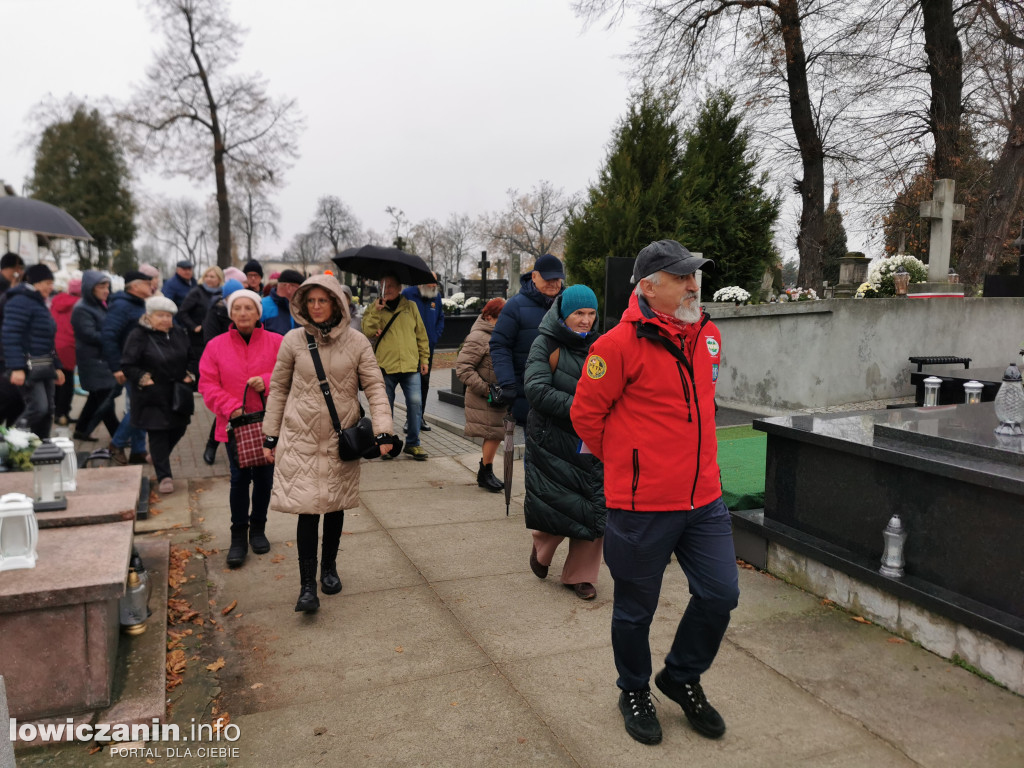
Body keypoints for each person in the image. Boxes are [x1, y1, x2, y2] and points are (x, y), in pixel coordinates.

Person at [571, 240, 738, 746]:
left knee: (720, 593)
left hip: (704, 499)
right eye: (682, 277)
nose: (693, 285)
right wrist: (631, 467)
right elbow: (586, 417)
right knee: (635, 610)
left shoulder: (707, 335)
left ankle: (681, 677)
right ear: (648, 286)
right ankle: (635, 689)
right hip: (642, 505)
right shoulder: (615, 347)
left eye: (696, 276)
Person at [261, 275, 393, 613]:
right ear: (303, 304)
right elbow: (277, 389)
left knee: (333, 507)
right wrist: (270, 434)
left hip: (341, 439)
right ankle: (306, 587)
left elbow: (375, 389)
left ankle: (328, 568)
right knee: (307, 510)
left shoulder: (358, 342)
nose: (316, 307)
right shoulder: (292, 340)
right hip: (300, 437)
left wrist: (383, 431)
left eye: (324, 300)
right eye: (311, 301)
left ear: (337, 303)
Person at [524, 285, 605, 601]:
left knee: (594, 505)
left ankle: (580, 576)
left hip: (593, 438)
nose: (586, 320)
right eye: (578, 314)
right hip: (554, 439)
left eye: (590, 313)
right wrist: (583, 408)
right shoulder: (544, 344)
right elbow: (536, 389)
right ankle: (541, 548)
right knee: (559, 504)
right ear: (563, 314)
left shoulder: (602, 345)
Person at [199, 289, 282, 568]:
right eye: (238, 308)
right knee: (239, 479)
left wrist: (267, 381)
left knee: (264, 479)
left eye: (249, 308)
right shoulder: (215, 346)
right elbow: (207, 384)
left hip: (268, 422)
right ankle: (238, 535)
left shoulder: (277, 342)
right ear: (231, 313)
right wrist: (232, 406)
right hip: (234, 425)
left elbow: (290, 373)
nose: (243, 313)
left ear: (259, 313)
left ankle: (258, 529)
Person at [121, 295, 197, 494]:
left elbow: (191, 356)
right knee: (158, 434)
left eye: (168, 316)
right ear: (149, 316)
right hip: (152, 393)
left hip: (178, 392)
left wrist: (190, 373)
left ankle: (157, 456)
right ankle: (165, 476)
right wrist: (144, 378)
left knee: (179, 428)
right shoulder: (138, 335)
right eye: (160, 315)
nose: (165, 320)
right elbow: (128, 364)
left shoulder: (179, 332)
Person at [361, 273, 430, 461]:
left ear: (399, 288)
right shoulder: (374, 308)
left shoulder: (411, 307)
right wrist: (375, 310)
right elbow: (367, 330)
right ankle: (388, 445)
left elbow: (421, 335)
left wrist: (424, 359)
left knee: (415, 404)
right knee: (386, 406)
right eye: (383, 285)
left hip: (410, 365)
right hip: (386, 366)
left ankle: (413, 444)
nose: (387, 289)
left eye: (391, 285)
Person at [490, 253, 565, 424]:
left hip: (563, 392)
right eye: (548, 278)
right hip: (529, 393)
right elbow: (499, 345)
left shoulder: (568, 304)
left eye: (558, 279)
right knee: (534, 446)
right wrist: (508, 383)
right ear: (534, 276)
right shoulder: (515, 306)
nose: (554, 283)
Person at [1, 263, 64, 438]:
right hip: (28, 366)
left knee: (48, 409)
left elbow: (47, 339)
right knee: (38, 407)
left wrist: (57, 366)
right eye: (47, 283)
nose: (51, 287)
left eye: (52, 283)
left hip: (45, 365)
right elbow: (10, 335)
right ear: (34, 282)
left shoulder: (38, 302)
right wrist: (16, 367)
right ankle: (12, 440)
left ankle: (42, 447)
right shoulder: (19, 301)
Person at [101, 270, 154, 465]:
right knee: (141, 407)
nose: (152, 286)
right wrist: (117, 367)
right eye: (148, 283)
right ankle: (116, 444)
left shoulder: (136, 304)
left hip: (139, 364)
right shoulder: (122, 306)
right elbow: (108, 336)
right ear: (135, 286)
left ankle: (138, 450)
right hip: (128, 365)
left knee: (139, 406)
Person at [455, 297, 506, 492]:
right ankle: (485, 472)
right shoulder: (479, 336)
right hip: (486, 397)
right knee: (493, 433)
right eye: (502, 317)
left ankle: (486, 471)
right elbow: (463, 368)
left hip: (497, 396)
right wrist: (487, 389)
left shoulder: (499, 335)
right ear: (489, 316)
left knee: (495, 434)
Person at [180, 265, 224, 464]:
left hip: (220, 344)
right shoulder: (196, 293)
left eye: (213, 276)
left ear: (220, 279)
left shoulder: (224, 297)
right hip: (199, 342)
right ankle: (212, 444)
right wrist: (194, 327)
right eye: (207, 275)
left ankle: (216, 444)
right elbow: (183, 313)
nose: (209, 278)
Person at [72, 271, 120, 442]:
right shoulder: (82, 309)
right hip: (93, 361)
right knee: (106, 401)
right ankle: (118, 435)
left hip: (101, 359)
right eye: (101, 286)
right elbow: (89, 334)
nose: (106, 290)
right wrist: (114, 337)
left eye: (107, 286)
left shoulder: (100, 304)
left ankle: (81, 429)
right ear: (90, 288)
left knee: (96, 397)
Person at [401, 273, 444, 432]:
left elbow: (440, 318)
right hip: (411, 348)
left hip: (428, 349)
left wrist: (435, 335)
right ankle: (409, 419)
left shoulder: (436, 296)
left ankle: (420, 417)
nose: (434, 286)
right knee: (411, 384)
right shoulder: (408, 295)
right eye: (431, 283)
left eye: (435, 283)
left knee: (424, 384)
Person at [51, 274, 81, 427]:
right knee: (67, 381)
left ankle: (56, 411)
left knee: (57, 378)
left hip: (54, 343)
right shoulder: (79, 304)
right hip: (69, 345)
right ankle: (63, 413)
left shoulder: (56, 300)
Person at [261, 269, 304, 335]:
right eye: (300, 288)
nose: (302, 293)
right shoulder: (262, 306)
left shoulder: (300, 307)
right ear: (289, 287)